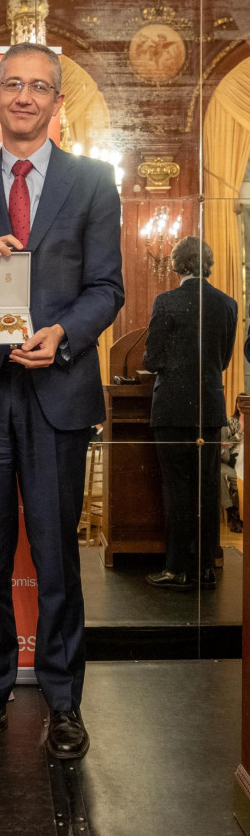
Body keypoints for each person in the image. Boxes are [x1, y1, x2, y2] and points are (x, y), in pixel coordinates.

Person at [0, 43, 124, 761]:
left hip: (56, 390)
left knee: (54, 554)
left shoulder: (93, 183)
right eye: (14, 84)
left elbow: (108, 287)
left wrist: (63, 333)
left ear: (56, 103)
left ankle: (63, 701)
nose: (25, 97)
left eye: (40, 87)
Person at [144, 236, 236, 591]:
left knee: (177, 489)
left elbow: (151, 360)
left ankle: (177, 569)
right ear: (207, 265)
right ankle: (207, 568)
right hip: (210, 409)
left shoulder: (166, 302)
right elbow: (224, 360)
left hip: (171, 411)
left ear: (177, 266)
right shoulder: (227, 304)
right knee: (208, 487)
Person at [220, 395, 244, 533]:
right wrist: (241, 431)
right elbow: (226, 446)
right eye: (239, 403)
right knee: (232, 478)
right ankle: (234, 516)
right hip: (233, 459)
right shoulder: (231, 422)